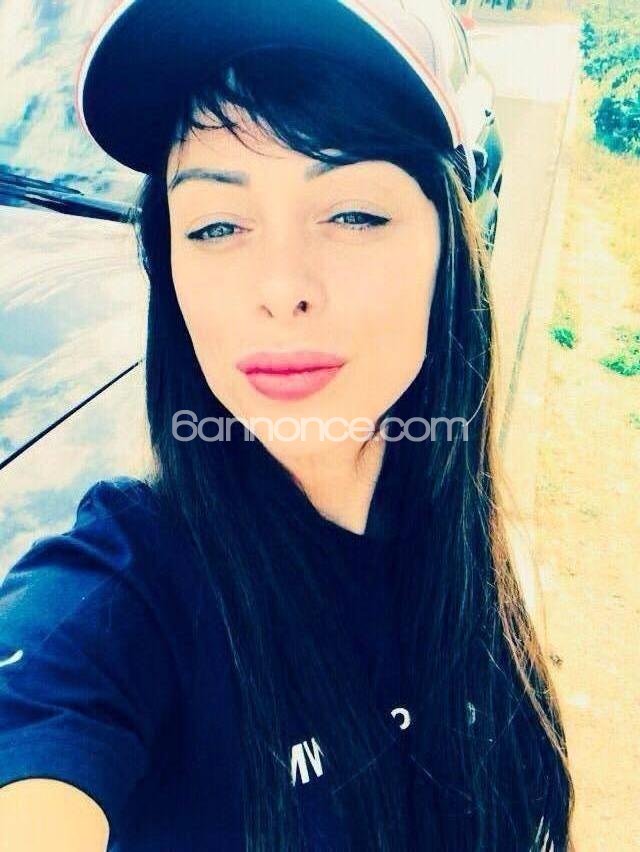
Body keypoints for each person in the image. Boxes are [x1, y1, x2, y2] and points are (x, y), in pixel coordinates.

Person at [0, 1, 574, 849]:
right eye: (216, 225)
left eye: (353, 213)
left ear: (451, 244)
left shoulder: (468, 543)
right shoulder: (123, 593)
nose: (280, 287)